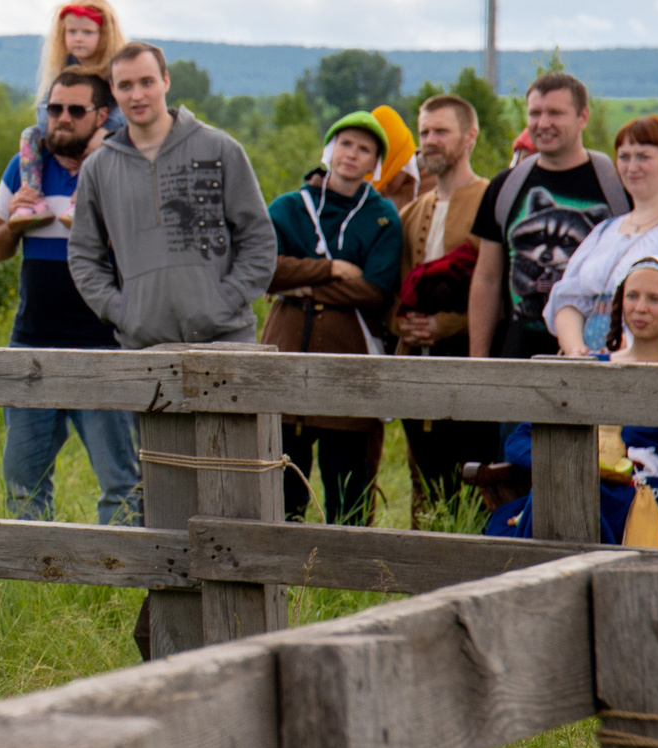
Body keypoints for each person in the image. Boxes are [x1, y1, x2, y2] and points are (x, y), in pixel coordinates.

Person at [485, 256, 658, 545]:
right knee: (559, 497)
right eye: (632, 296)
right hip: (573, 484)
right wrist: (571, 464)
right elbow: (519, 440)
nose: (640, 307)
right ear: (620, 303)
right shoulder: (593, 368)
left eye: (654, 299)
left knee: (571, 502)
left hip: (643, 494)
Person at [0, 70, 136, 525]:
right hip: (32, 342)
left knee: (122, 484)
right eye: (54, 109)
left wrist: (92, 228)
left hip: (104, 345)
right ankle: (32, 585)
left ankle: (122, 578)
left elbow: (144, 253)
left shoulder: (118, 168)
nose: (61, 119)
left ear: (102, 116)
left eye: (75, 110)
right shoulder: (25, 167)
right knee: (23, 484)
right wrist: (14, 223)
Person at [68, 43, 276, 349]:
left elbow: (258, 238)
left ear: (165, 81)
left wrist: (226, 298)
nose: (137, 95)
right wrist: (120, 310)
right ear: (112, 91)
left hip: (225, 340)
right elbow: (83, 254)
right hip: (142, 345)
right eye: (125, 86)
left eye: (146, 82)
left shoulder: (219, 148)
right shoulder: (98, 168)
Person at [265, 112, 405, 525]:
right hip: (287, 349)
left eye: (364, 149)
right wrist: (328, 270)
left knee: (348, 481)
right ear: (330, 148)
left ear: (374, 163)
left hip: (348, 358)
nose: (352, 154)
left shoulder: (382, 217)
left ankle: (348, 570)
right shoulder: (288, 208)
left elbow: (375, 289)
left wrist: (298, 281)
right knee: (282, 475)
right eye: (345, 143)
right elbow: (266, 270)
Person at [467, 72, 630, 360]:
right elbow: (488, 279)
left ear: (583, 117)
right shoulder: (504, 187)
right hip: (517, 358)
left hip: (599, 359)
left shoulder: (617, 187)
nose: (543, 124)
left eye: (555, 113)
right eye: (535, 113)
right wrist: (478, 360)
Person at [391, 94, 493, 519]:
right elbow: (391, 291)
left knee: (473, 482)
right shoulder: (414, 210)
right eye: (425, 132)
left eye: (441, 132)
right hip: (415, 364)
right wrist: (405, 328)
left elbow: (498, 290)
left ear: (469, 137)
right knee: (422, 481)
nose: (429, 141)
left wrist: (445, 325)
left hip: (469, 360)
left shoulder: (491, 200)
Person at [544, 116, 658, 359]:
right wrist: (576, 350)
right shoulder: (606, 230)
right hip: (592, 362)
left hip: (652, 364)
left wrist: (628, 351)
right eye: (624, 157)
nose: (631, 167)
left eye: (643, 156)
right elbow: (568, 298)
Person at [15, 0, 127, 189]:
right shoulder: (63, 69)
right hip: (67, 131)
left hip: (103, 131)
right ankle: (31, 193)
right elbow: (45, 106)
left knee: (100, 146)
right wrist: (54, 140)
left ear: (105, 36)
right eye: (72, 32)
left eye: (88, 32)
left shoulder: (114, 71)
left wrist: (106, 130)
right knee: (29, 135)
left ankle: (82, 195)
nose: (78, 38)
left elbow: (125, 109)